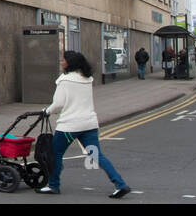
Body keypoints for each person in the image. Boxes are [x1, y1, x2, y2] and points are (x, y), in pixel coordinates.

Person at [39, 51, 130, 198]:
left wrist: (47, 111)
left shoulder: (65, 80)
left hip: (69, 126)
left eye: (64, 60)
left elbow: (58, 104)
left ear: (70, 63)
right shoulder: (87, 79)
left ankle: (53, 185)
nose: (62, 62)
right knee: (96, 155)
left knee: (55, 154)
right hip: (89, 124)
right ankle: (120, 184)